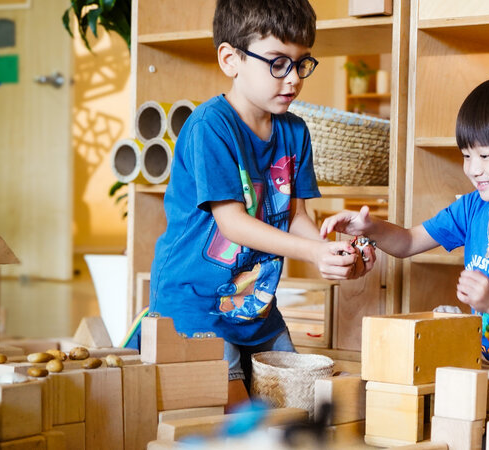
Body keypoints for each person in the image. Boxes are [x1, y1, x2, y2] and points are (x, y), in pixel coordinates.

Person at [144, 0, 376, 400]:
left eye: (301, 63)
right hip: (195, 307)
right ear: (230, 59)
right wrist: (311, 251)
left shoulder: (295, 131)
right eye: (277, 63)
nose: (293, 79)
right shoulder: (209, 127)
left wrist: (333, 251)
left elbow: (295, 214)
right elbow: (232, 223)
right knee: (234, 418)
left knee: (295, 404)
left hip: (257, 309)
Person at [321, 77, 489, 369]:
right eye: (466, 155)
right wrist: (369, 229)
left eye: (485, 156)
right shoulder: (473, 207)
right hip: (485, 365)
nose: (472, 169)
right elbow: (409, 241)